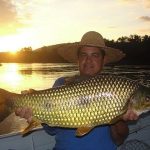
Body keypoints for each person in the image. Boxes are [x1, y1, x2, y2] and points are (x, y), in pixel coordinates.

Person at [15, 31, 138, 150]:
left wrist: (119, 117)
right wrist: (34, 116)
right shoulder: (61, 84)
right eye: (83, 55)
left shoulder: (115, 89)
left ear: (103, 60)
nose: (88, 60)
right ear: (78, 59)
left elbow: (119, 140)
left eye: (95, 55)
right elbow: (51, 131)